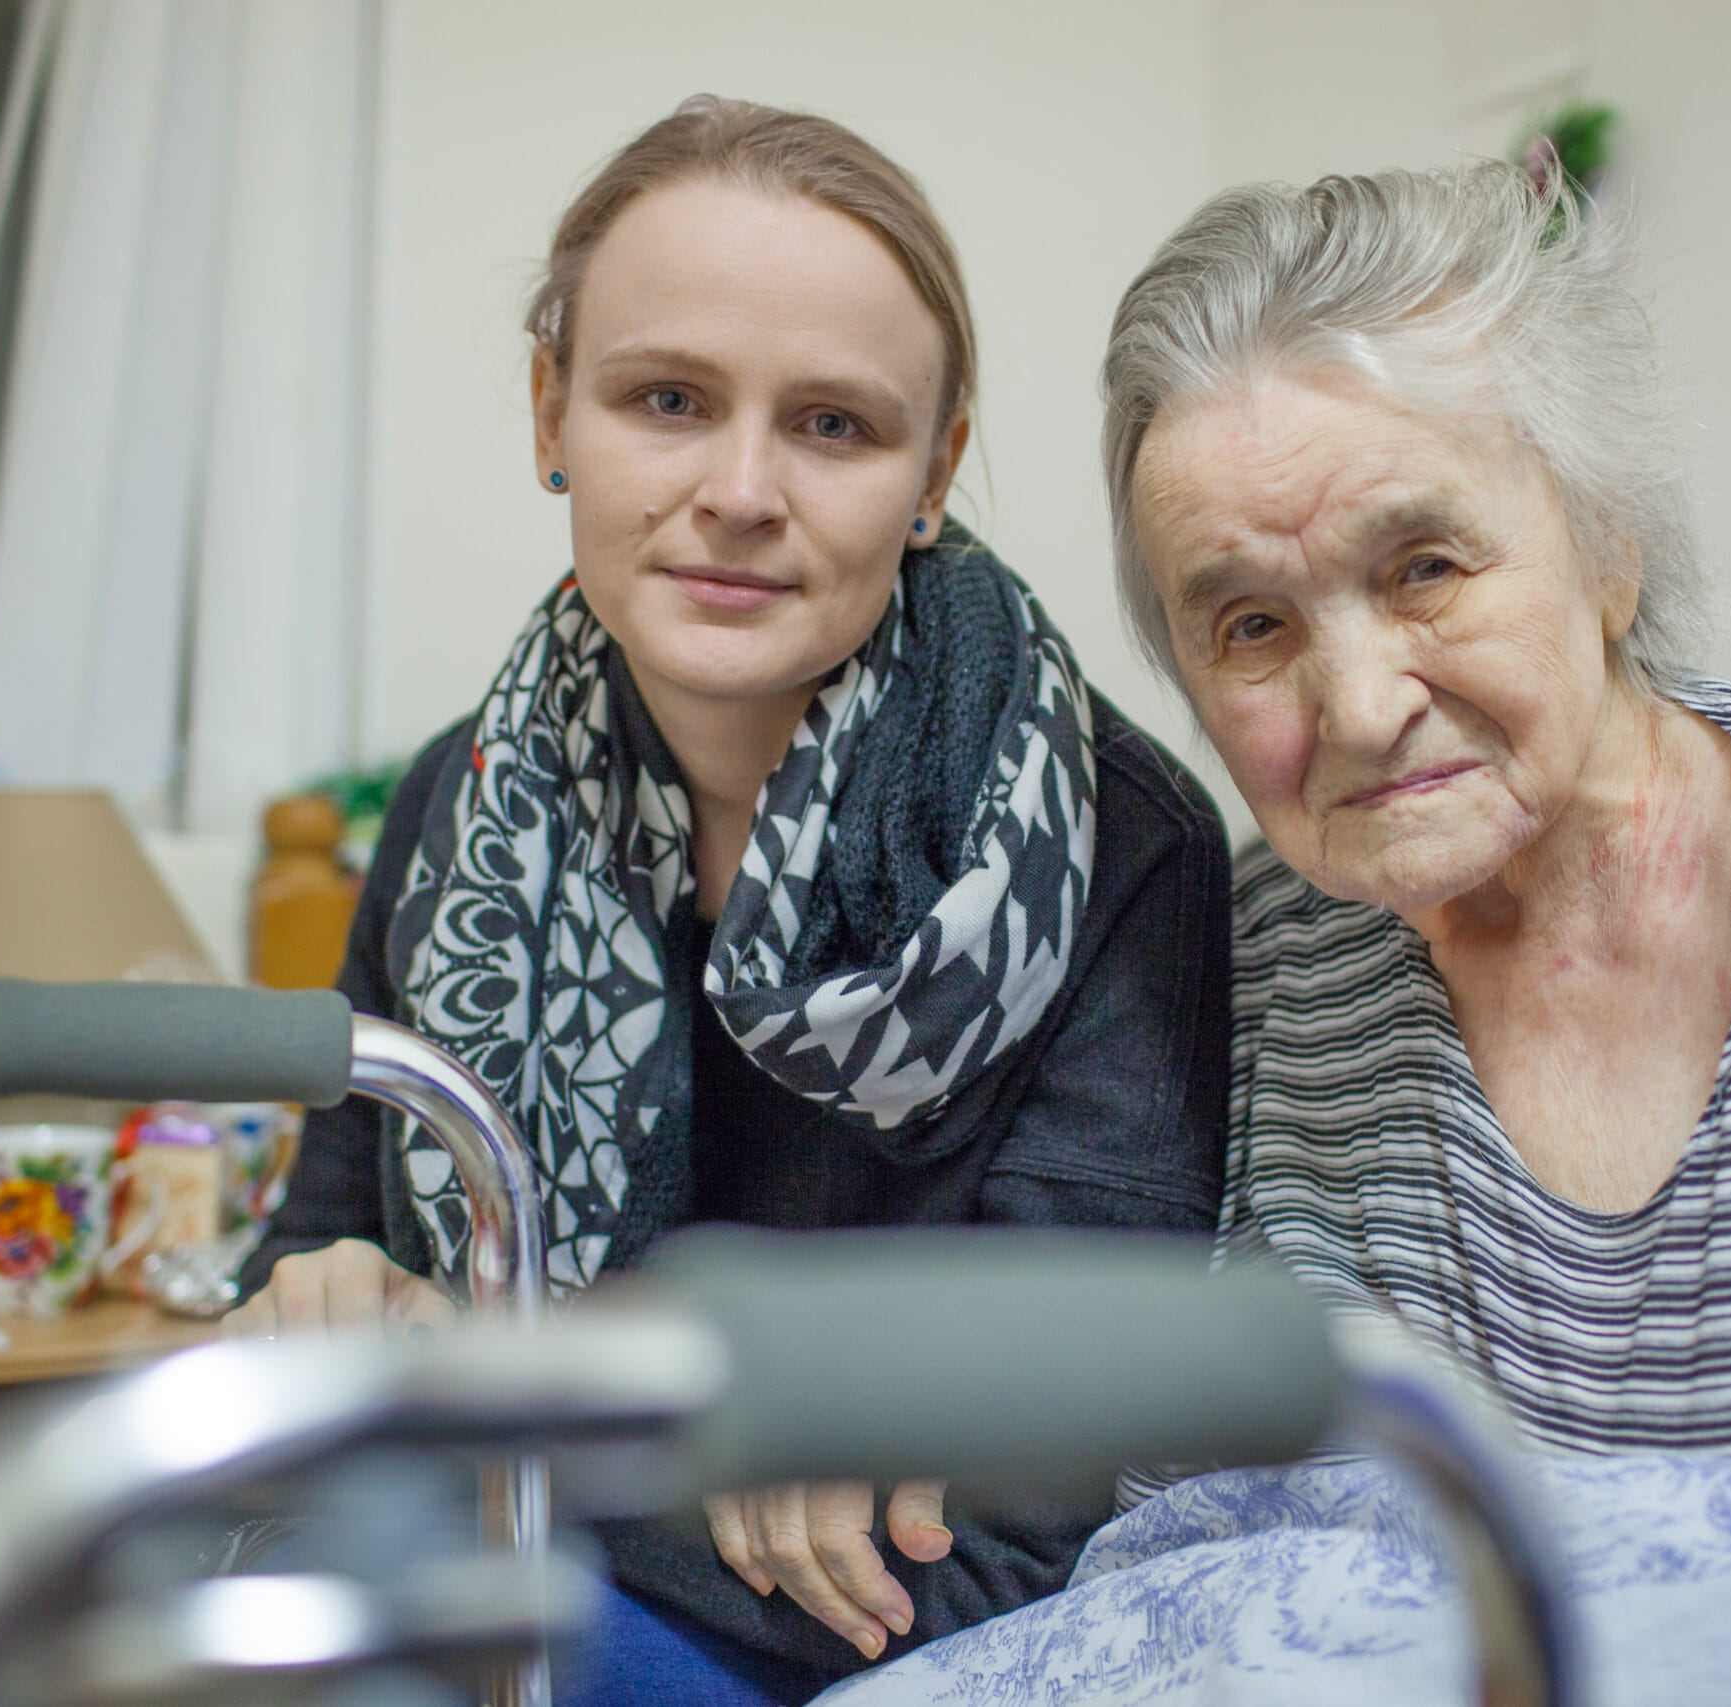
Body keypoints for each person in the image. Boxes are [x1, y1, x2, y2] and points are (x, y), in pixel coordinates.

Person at [828, 154, 1731, 1707]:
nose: (1358, 704)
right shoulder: (1254, 947)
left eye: (1426, 568)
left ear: (1609, 550)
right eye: (1251, 625)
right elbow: (1179, 1567)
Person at [225, 96, 1231, 1703]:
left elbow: (1036, 1500)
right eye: (669, 398)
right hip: (481, 1568)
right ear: (552, 406)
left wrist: (481, 1393)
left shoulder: (1117, 847)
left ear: (934, 469)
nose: (743, 489)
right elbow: (308, 1281)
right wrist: (321, 1308)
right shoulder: (457, 805)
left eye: (835, 424)